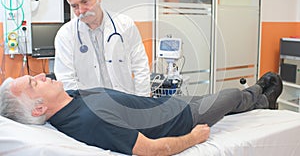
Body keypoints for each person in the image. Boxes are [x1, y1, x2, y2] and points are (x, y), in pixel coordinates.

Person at [0, 72, 282, 155]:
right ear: (38, 108)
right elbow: (147, 149)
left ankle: (257, 103)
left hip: (169, 106)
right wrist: (194, 138)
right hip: (183, 119)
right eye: (34, 83)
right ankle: (259, 95)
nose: (41, 75)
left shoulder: (69, 98)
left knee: (225, 102)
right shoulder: (88, 120)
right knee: (231, 96)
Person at [54, 0, 150, 96]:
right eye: (74, 6)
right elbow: (66, 79)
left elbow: (140, 67)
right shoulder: (65, 35)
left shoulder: (125, 25)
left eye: (85, 2)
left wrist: (143, 102)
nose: (81, 10)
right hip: (90, 106)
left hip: (126, 101)